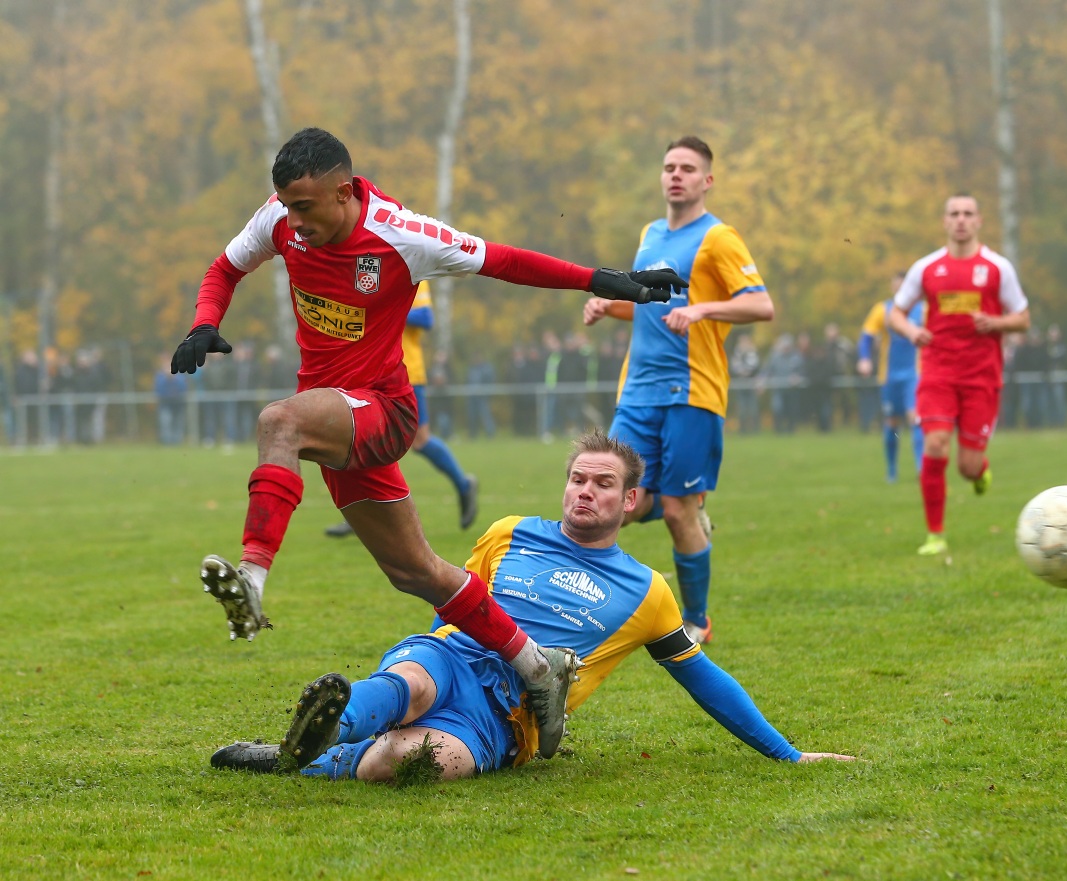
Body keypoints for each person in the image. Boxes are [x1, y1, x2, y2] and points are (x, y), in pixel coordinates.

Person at [169, 127, 684, 757]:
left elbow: (505, 261)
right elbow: (224, 268)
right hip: (336, 421)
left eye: (305, 207)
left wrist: (603, 281)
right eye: (287, 206)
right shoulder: (280, 218)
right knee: (417, 573)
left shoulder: (400, 233)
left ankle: (251, 578)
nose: (294, 221)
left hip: (381, 411)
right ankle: (536, 667)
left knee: (279, 422)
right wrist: (204, 323)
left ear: (342, 191)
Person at [210, 431, 854, 782]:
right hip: (455, 656)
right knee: (406, 685)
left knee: (414, 763)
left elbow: (704, 680)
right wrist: (431, 652)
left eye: (604, 485)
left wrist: (788, 755)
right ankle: (316, 734)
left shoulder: (649, 591)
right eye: (579, 479)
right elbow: (454, 606)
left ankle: (304, 760)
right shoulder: (511, 531)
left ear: (629, 503)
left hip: (508, 716)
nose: (585, 493)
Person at [581, 136, 774, 645]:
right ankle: (593, 612)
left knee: (675, 511)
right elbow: (650, 306)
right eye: (669, 166)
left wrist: (703, 309)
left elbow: (760, 305)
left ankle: (697, 621)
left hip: (692, 392)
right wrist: (611, 307)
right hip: (637, 392)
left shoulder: (719, 238)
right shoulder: (649, 233)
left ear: (706, 180)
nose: (676, 175)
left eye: (688, 168)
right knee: (615, 499)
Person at [888, 193, 1030, 556]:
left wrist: (996, 322)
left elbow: (1023, 318)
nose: (961, 220)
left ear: (979, 220)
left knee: (967, 466)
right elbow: (896, 313)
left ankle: (978, 471)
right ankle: (935, 535)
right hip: (937, 372)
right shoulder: (926, 268)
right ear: (945, 221)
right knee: (935, 445)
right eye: (954, 213)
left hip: (982, 376)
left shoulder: (998, 268)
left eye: (968, 213)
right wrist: (911, 331)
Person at [325, 281, 480, 538]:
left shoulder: (411, 272)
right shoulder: (368, 274)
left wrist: (385, 302)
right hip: (370, 370)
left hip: (407, 372)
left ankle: (464, 485)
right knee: (363, 438)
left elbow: (426, 317)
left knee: (420, 441)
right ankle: (359, 514)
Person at [856, 271, 925, 483]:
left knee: (915, 418)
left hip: (915, 374)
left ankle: (921, 470)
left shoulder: (924, 309)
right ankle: (892, 470)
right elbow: (866, 337)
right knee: (892, 422)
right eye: (897, 286)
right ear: (892, 287)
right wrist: (864, 358)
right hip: (889, 376)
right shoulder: (883, 309)